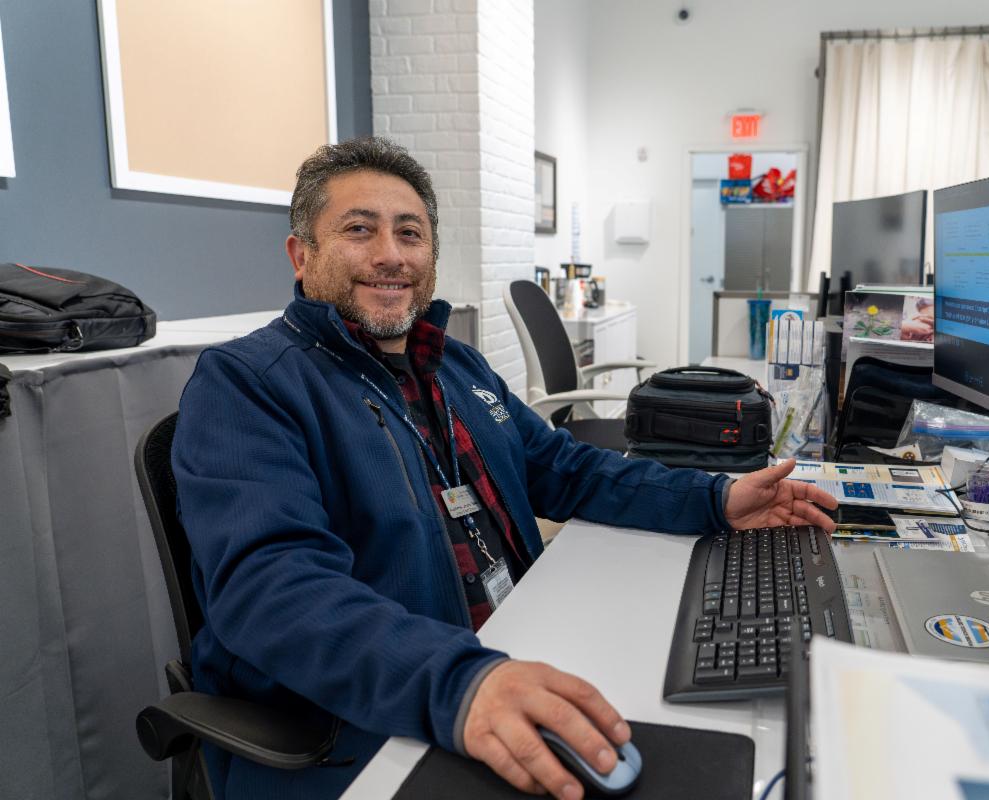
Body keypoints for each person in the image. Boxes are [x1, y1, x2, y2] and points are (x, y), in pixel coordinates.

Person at [172, 136, 837, 800]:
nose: (391, 255)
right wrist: (461, 682)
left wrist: (714, 500)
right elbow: (273, 590)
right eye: (358, 230)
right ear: (301, 254)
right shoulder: (246, 384)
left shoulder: (453, 365)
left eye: (411, 233)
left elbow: (564, 467)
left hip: (510, 657)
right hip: (375, 721)